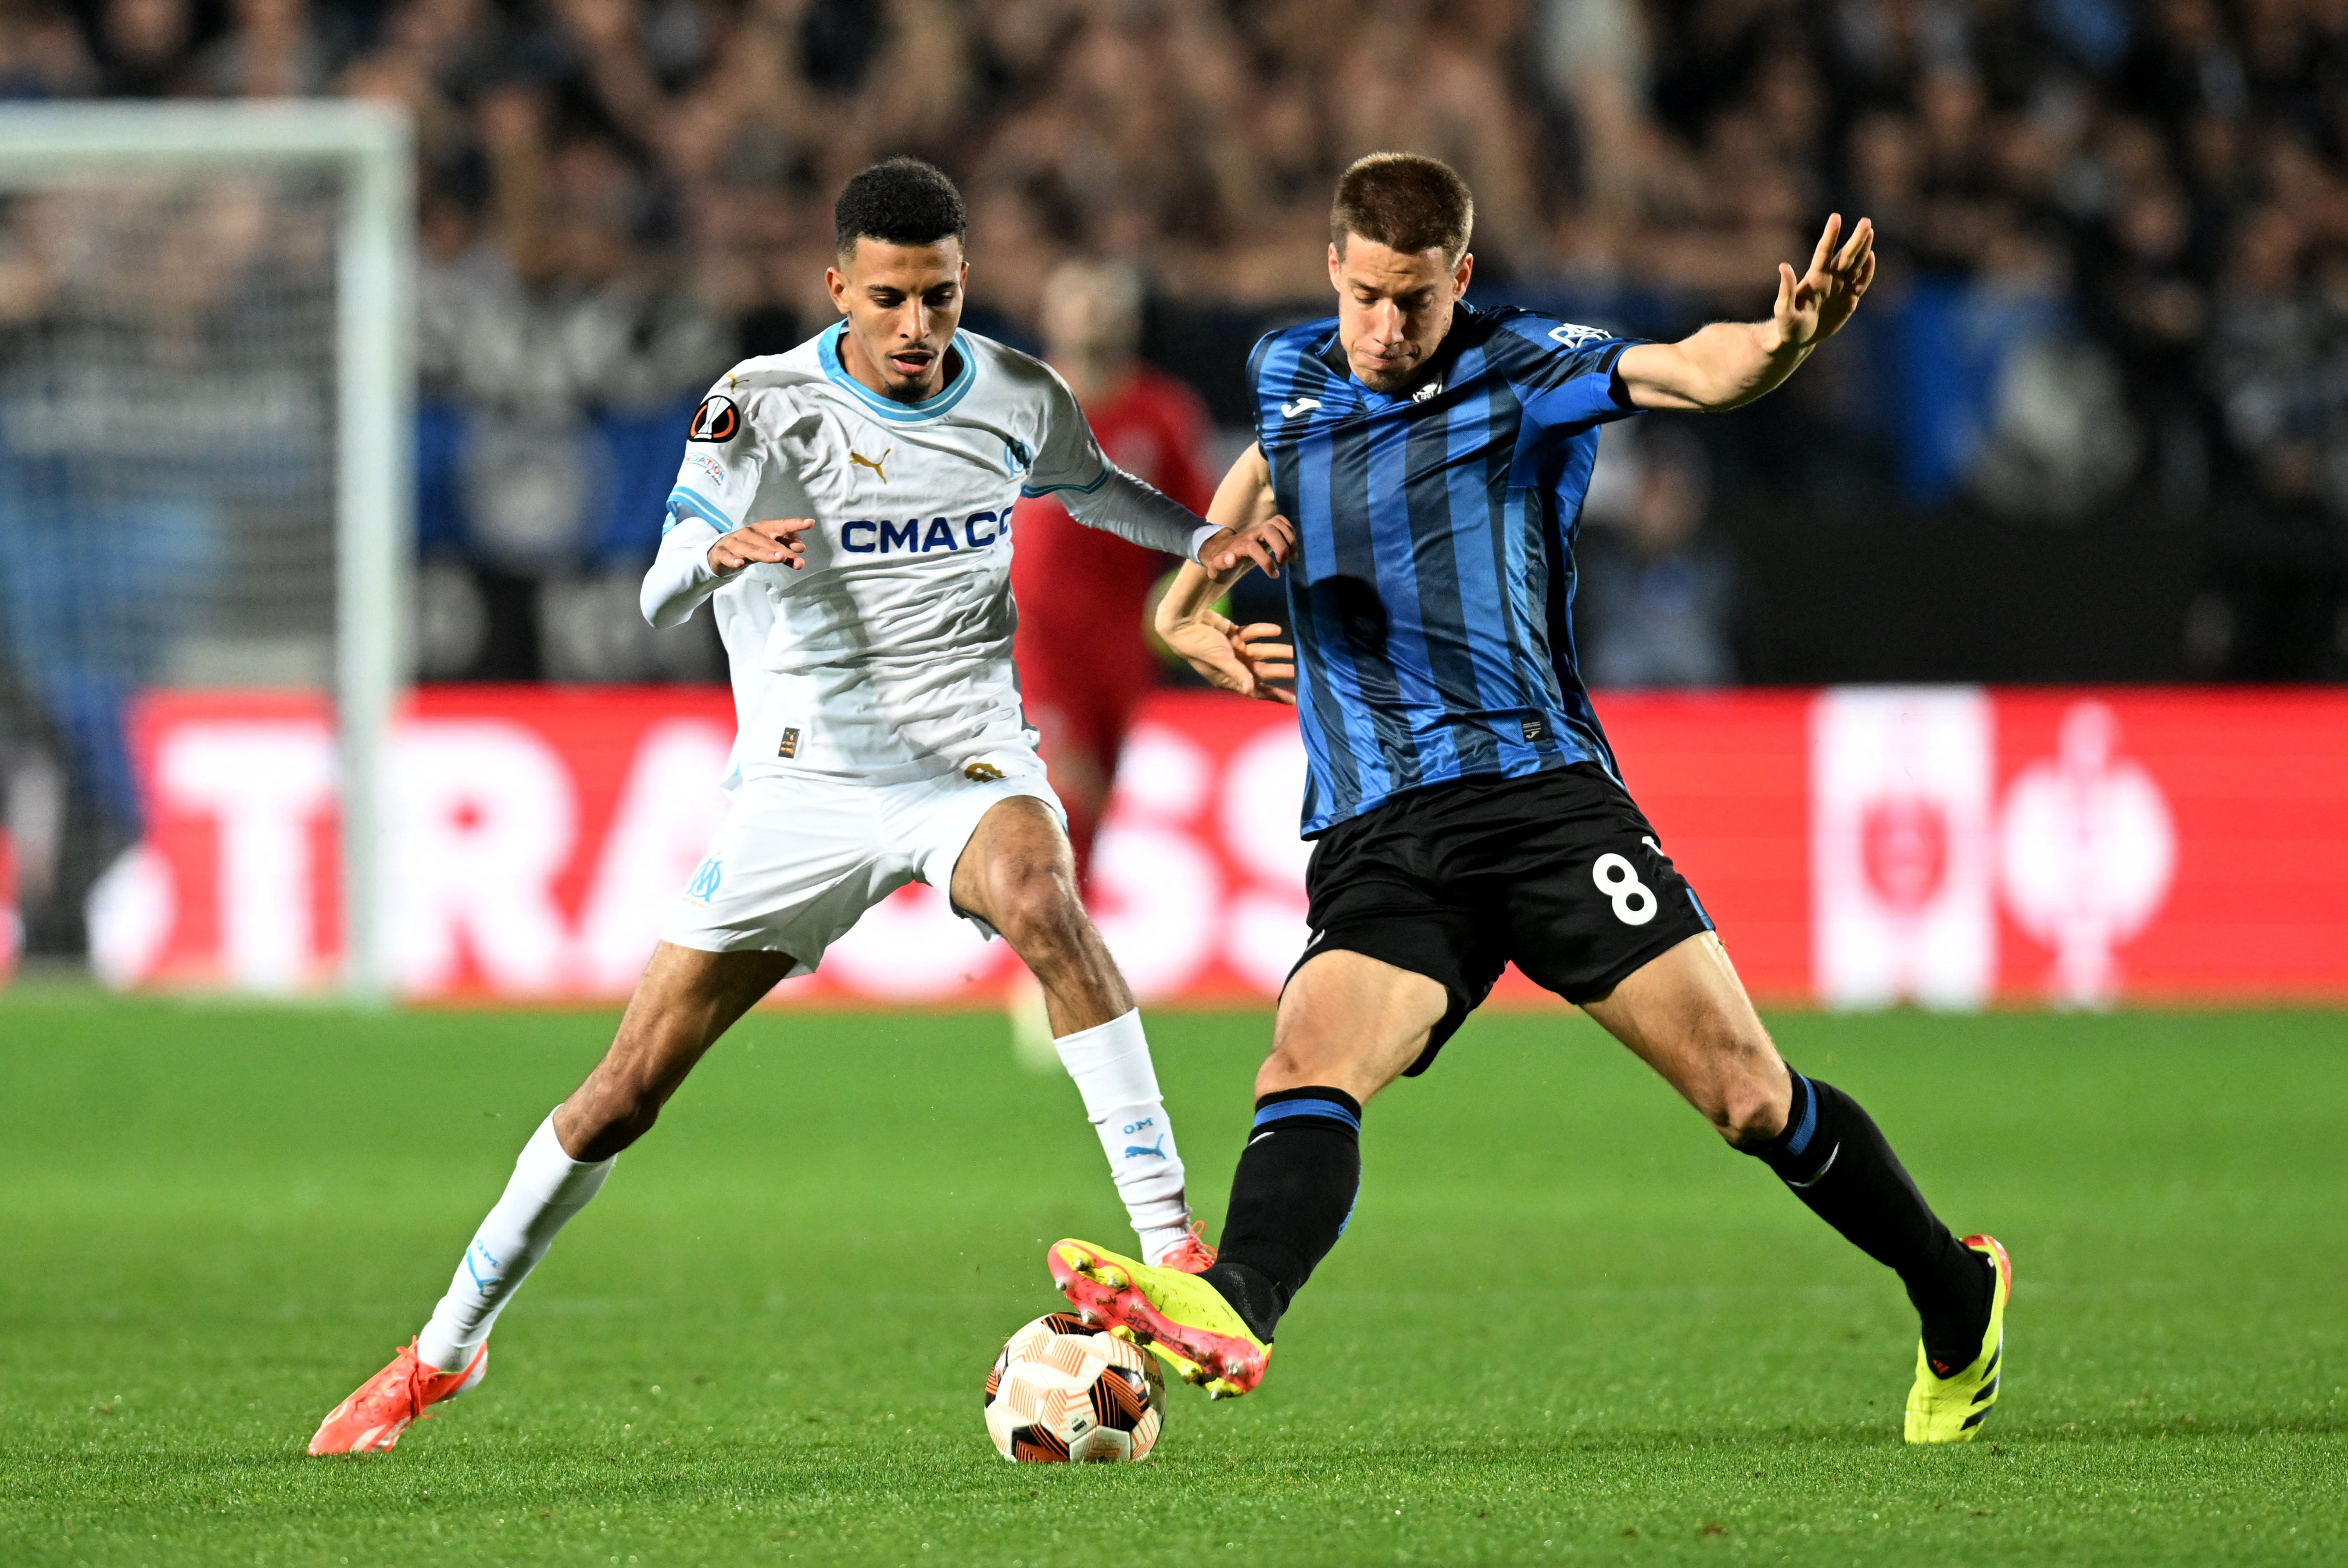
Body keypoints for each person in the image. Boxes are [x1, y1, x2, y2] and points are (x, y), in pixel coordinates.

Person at [307, 158, 1295, 1455]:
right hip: (802, 788)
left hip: (965, 763)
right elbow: (662, 579)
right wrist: (715, 553)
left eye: (939, 296)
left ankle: (1174, 1253)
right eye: (888, 297)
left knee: (1046, 897)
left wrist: (1196, 543)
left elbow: (1089, 488)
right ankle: (442, 1348)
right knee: (623, 1090)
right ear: (838, 287)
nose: (917, 326)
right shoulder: (758, 408)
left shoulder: (1016, 393)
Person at [1045, 152, 2009, 1447]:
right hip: (1381, 825)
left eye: (1419, 300)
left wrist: (1780, 343)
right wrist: (1186, 609)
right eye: (1370, 295)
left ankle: (1957, 1291)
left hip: (1543, 801)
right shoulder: (1290, 370)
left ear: (1465, 279)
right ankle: (1237, 1300)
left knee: (1745, 1094)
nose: (1389, 327)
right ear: (1334, 267)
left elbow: (1689, 368)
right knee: (1308, 1057)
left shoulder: (1527, 367)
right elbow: (1253, 490)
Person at [1009, 259, 1216, 889]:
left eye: (1107, 302)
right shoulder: (1015, 406)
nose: (1095, 314)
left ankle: (1061, 965)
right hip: (1035, 640)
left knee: (1092, 814)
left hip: (1121, 644)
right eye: (1081, 300)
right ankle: (1046, 961)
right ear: (1050, 315)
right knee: (1064, 793)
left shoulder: (1160, 415)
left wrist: (1195, 603)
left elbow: (1203, 528)